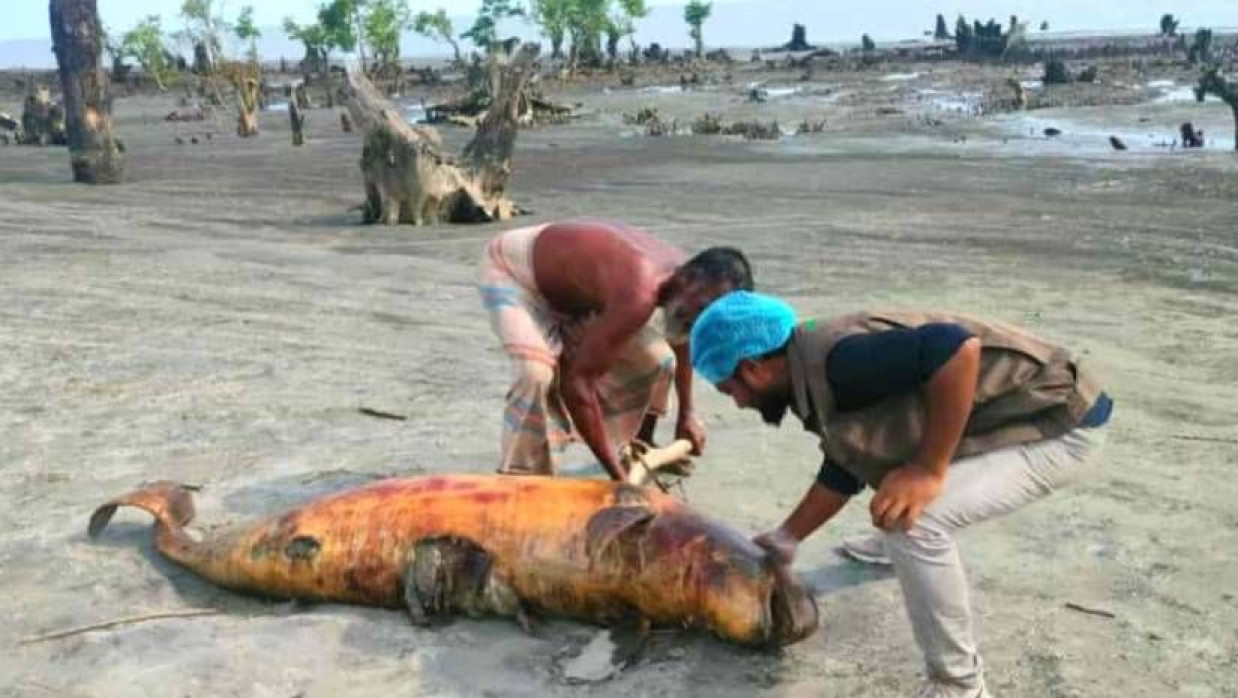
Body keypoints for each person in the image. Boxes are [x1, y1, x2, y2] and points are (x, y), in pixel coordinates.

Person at [689, 291, 1113, 698]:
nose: (739, 403)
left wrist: (929, 469)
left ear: (752, 368)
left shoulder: (841, 361)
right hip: (1014, 415)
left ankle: (959, 685)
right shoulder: (809, 363)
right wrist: (788, 537)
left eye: (731, 390)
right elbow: (849, 456)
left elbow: (955, 349)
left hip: (1061, 425)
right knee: (894, 473)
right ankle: (894, 547)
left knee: (914, 521)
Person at [478, 220, 753, 480]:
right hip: (515, 273)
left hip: (576, 297)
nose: (698, 320)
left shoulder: (688, 284)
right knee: (535, 372)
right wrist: (618, 479)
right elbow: (577, 385)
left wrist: (687, 414)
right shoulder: (641, 292)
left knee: (659, 360)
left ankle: (639, 444)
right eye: (702, 309)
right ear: (689, 279)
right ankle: (520, 474)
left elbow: (681, 342)